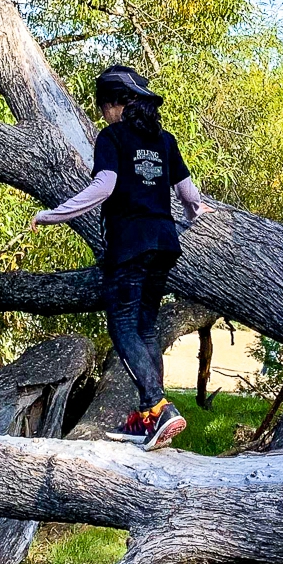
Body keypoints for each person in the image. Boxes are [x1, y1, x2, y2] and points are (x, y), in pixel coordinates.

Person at [32, 63, 204, 450]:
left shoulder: (112, 137)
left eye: (103, 108)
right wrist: (192, 218)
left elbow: (103, 187)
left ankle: (157, 406)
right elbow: (189, 195)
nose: (102, 115)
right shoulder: (165, 140)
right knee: (144, 330)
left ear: (113, 105)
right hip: (164, 244)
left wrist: (51, 215)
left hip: (129, 244)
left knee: (122, 326)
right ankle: (148, 421)